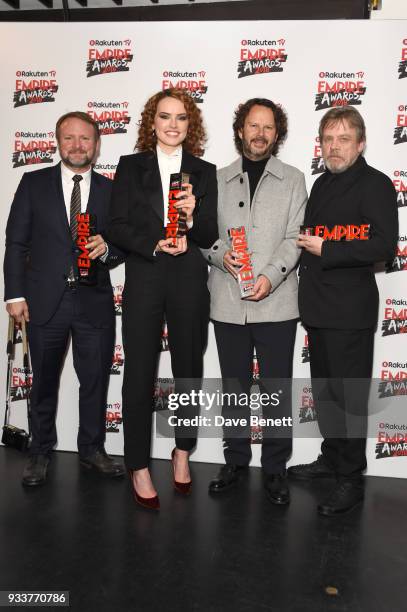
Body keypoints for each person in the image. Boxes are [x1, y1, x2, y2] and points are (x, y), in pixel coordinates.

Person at [106, 89, 218, 510]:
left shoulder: (204, 172)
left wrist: (189, 219)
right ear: (151, 121)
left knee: (189, 366)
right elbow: (116, 226)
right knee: (138, 371)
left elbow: (209, 235)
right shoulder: (131, 167)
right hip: (147, 277)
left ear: (192, 126)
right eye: (165, 116)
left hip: (189, 278)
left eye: (182, 118)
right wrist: (154, 243)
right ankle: (137, 463)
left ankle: (182, 451)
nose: (173, 125)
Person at [4, 111, 125, 487]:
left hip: (94, 302)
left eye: (85, 139)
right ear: (58, 142)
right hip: (43, 301)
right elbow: (16, 243)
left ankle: (91, 449)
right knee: (42, 382)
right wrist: (14, 294)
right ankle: (40, 449)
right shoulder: (33, 183)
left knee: (94, 381)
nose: (77, 145)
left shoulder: (110, 190)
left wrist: (108, 249)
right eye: (69, 138)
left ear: (96, 144)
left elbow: (123, 246)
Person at [288, 107, 398, 515]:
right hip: (317, 309)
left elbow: (384, 247)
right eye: (328, 140)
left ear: (361, 143)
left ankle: (351, 478)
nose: (334, 147)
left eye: (343, 139)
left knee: (349, 399)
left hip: (350, 311)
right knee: (327, 395)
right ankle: (331, 459)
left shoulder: (376, 185)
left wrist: (329, 249)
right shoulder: (320, 183)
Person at [203, 98, 307, 505]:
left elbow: (295, 236)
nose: (259, 134)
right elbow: (202, 234)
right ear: (240, 130)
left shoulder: (295, 178)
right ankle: (235, 461)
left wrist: (270, 276)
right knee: (234, 388)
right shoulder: (217, 178)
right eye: (252, 126)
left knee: (276, 389)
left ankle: (276, 468)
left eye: (268, 127)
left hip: (277, 303)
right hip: (228, 302)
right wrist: (217, 253)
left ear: (276, 134)